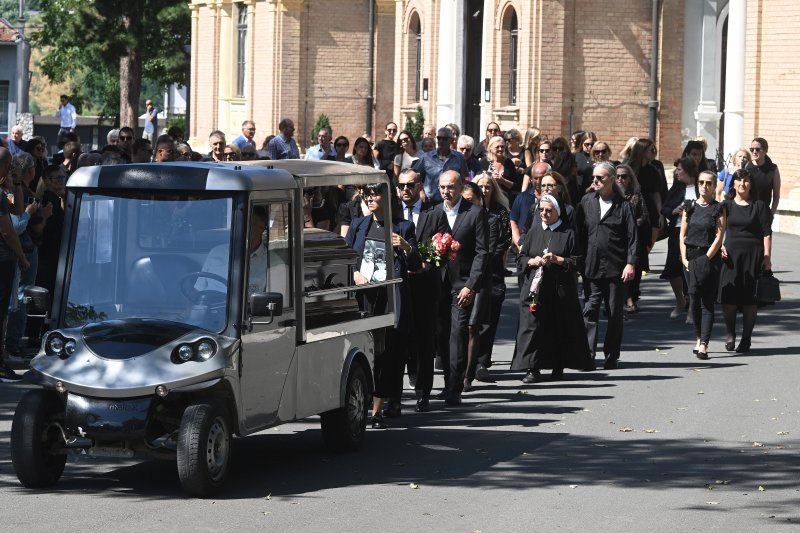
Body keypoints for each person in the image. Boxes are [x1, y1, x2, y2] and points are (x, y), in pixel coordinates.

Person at [345, 182, 420, 428]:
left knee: (391, 350)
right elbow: (346, 259)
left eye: (374, 194)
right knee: (366, 349)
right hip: (365, 296)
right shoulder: (358, 225)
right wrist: (355, 274)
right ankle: (364, 400)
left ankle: (388, 402)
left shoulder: (404, 227)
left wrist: (407, 247)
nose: (369, 198)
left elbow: (416, 265)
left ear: (387, 198)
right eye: (366, 195)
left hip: (391, 296)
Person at [512, 194, 594, 382]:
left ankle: (558, 364)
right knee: (532, 327)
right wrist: (531, 261)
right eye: (541, 210)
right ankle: (532, 368)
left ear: (557, 212)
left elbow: (577, 261)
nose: (544, 214)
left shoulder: (568, 233)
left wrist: (559, 260)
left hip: (559, 290)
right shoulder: (533, 232)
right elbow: (521, 257)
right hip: (535, 290)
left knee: (558, 327)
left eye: (549, 210)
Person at [576, 161, 638, 369]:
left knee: (614, 313)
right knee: (590, 310)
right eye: (593, 177)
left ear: (611, 180)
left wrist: (630, 263)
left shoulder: (624, 206)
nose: (595, 181)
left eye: (600, 178)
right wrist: (577, 262)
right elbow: (579, 233)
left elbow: (632, 237)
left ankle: (611, 355)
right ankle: (587, 354)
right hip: (591, 267)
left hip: (615, 268)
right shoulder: (586, 201)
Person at [396, 168, 448, 412]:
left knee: (425, 340)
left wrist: (426, 264)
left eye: (410, 185)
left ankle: (423, 392)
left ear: (420, 186)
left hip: (425, 285)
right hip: (399, 285)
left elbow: (444, 246)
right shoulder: (392, 213)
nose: (405, 189)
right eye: (401, 185)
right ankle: (396, 393)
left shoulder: (435, 213)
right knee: (400, 339)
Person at [436, 169, 489, 405]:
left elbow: (482, 252)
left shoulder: (475, 213)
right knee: (442, 335)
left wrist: (471, 285)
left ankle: (455, 387)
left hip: (462, 285)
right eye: (442, 187)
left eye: (450, 187)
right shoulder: (434, 212)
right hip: (437, 284)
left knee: (458, 334)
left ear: (460, 187)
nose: (446, 192)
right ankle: (447, 381)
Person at [718, 169, 773, 353]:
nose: (742, 183)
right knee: (729, 299)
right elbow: (718, 231)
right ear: (733, 184)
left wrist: (767, 258)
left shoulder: (759, 206)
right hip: (731, 257)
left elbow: (767, 233)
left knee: (750, 300)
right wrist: (720, 246)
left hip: (754, 256)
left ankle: (746, 339)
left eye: (746, 180)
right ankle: (730, 334)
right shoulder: (726, 206)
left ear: (751, 184)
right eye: (739, 180)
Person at [679, 170, 726, 360]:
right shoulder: (689, 206)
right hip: (690, 257)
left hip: (708, 258)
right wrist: (683, 258)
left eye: (708, 183)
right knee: (693, 300)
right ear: (697, 184)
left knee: (707, 301)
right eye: (701, 182)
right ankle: (698, 338)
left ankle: (704, 343)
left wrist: (707, 258)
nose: (704, 186)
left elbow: (719, 236)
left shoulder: (719, 208)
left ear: (714, 186)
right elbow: (682, 234)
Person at [473, 173, 511, 383]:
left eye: (488, 186)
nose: (485, 190)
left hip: (493, 272)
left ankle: (482, 361)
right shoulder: (470, 210)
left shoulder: (500, 212)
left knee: (489, 319)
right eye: (481, 186)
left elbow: (504, 241)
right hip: (472, 272)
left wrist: (487, 258)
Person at [660, 157, 698, 320]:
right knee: (672, 269)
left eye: (679, 170)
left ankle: (692, 308)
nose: (676, 172)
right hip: (676, 232)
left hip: (696, 233)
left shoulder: (699, 186)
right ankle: (680, 301)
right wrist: (674, 210)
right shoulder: (676, 189)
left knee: (691, 270)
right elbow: (665, 208)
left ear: (688, 171)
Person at [615, 164, 650, 313]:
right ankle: (621, 299)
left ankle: (631, 298)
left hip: (634, 237)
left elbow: (644, 216)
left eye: (624, 176)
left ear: (630, 179)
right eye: (617, 176)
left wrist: (633, 223)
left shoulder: (636, 195)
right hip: (616, 238)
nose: (620, 179)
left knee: (634, 269)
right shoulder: (611, 195)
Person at [413, 127, 468, 204]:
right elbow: (414, 175)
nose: (441, 141)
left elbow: (464, 179)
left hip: (452, 201)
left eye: (445, 139)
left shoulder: (459, 158)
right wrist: (421, 191)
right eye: (439, 138)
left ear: (451, 140)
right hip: (430, 202)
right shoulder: (426, 157)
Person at [510, 162, 549, 248]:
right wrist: (519, 244)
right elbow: (513, 221)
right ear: (531, 179)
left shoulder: (555, 200)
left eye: (541, 178)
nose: (538, 181)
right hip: (521, 248)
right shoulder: (521, 197)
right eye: (535, 178)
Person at [745, 137, 781, 215]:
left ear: (765, 150)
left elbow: (776, 195)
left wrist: (771, 213)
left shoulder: (773, 169)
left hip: (764, 214)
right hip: (746, 212)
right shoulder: (746, 167)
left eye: (757, 149)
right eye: (752, 149)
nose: (754, 152)